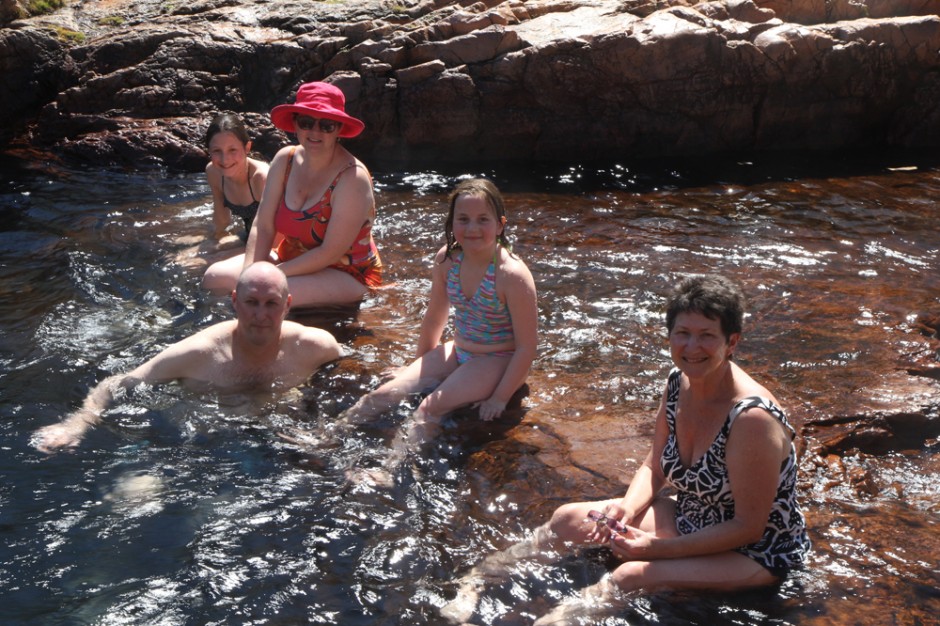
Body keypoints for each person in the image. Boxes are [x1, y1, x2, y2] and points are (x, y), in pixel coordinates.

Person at [441, 274, 810, 625]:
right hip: (694, 517)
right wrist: (626, 510)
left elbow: (748, 527)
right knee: (569, 519)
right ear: (670, 336)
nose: (692, 347)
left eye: (706, 336)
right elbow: (655, 466)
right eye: (682, 333)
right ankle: (475, 583)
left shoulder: (752, 420)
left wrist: (655, 550)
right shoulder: (679, 383)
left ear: (732, 342)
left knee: (631, 574)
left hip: (757, 553)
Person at [342, 178, 538, 483]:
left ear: (500, 225)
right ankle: (327, 436)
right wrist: (418, 366)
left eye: (482, 220)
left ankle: (390, 470)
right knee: (383, 394)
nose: (472, 228)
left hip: (497, 359)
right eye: (463, 219)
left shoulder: (511, 275)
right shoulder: (448, 260)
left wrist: (500, 397)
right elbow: (436, 315)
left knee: (428, 409)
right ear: (451, 223)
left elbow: (527, 347)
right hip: (459, 349)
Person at [32, 262, 342, 453]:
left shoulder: (315, 347)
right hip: (204, 445)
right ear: (235, 301)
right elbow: (117, 383)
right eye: (252, 302)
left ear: (287, 305)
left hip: (281, 440)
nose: (261, 315)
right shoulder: (199, 353)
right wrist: (77, 424)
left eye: (271, 304)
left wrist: (329, 425)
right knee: (133, 495)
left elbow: (349, 378)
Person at [201, 81, 382, 308]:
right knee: (215, 278)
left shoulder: (353, 178)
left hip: (346, 271)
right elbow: (263, 225)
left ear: (339, 129)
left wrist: (269, 275)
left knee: (267, 294)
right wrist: (250, 271)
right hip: (291, 257)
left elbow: (329, 253)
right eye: (306, 123)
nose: (315, 132)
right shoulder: (284, 159)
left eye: (326, 125)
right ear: (295, 124)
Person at [204, 112, 269, 241]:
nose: (225, 160)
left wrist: (218, 254)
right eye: (217, 151)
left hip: (274, 242)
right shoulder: (214, 172)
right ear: (209, 151)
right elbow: (221, 222)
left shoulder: (261, 179)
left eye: (232, 150)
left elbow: (275, 238)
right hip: (250, 236)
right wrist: (213, 241)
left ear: (247, 148)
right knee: (183, 256)